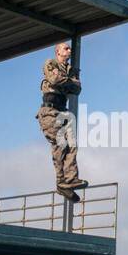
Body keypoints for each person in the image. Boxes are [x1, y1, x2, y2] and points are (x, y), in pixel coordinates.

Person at [36, 41, 88, 200]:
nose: (69, 50)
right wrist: (69, 82)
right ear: (57, 52)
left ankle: (70, 179)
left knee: (72, 144)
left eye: (69, 48)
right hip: (50, 111)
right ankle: (61, 182)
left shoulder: (71, 70)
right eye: (66, 48)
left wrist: (65, 81)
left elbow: (77, 89)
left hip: (62, 111)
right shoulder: (50, 63)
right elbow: (54, 79)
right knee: (60, 144)